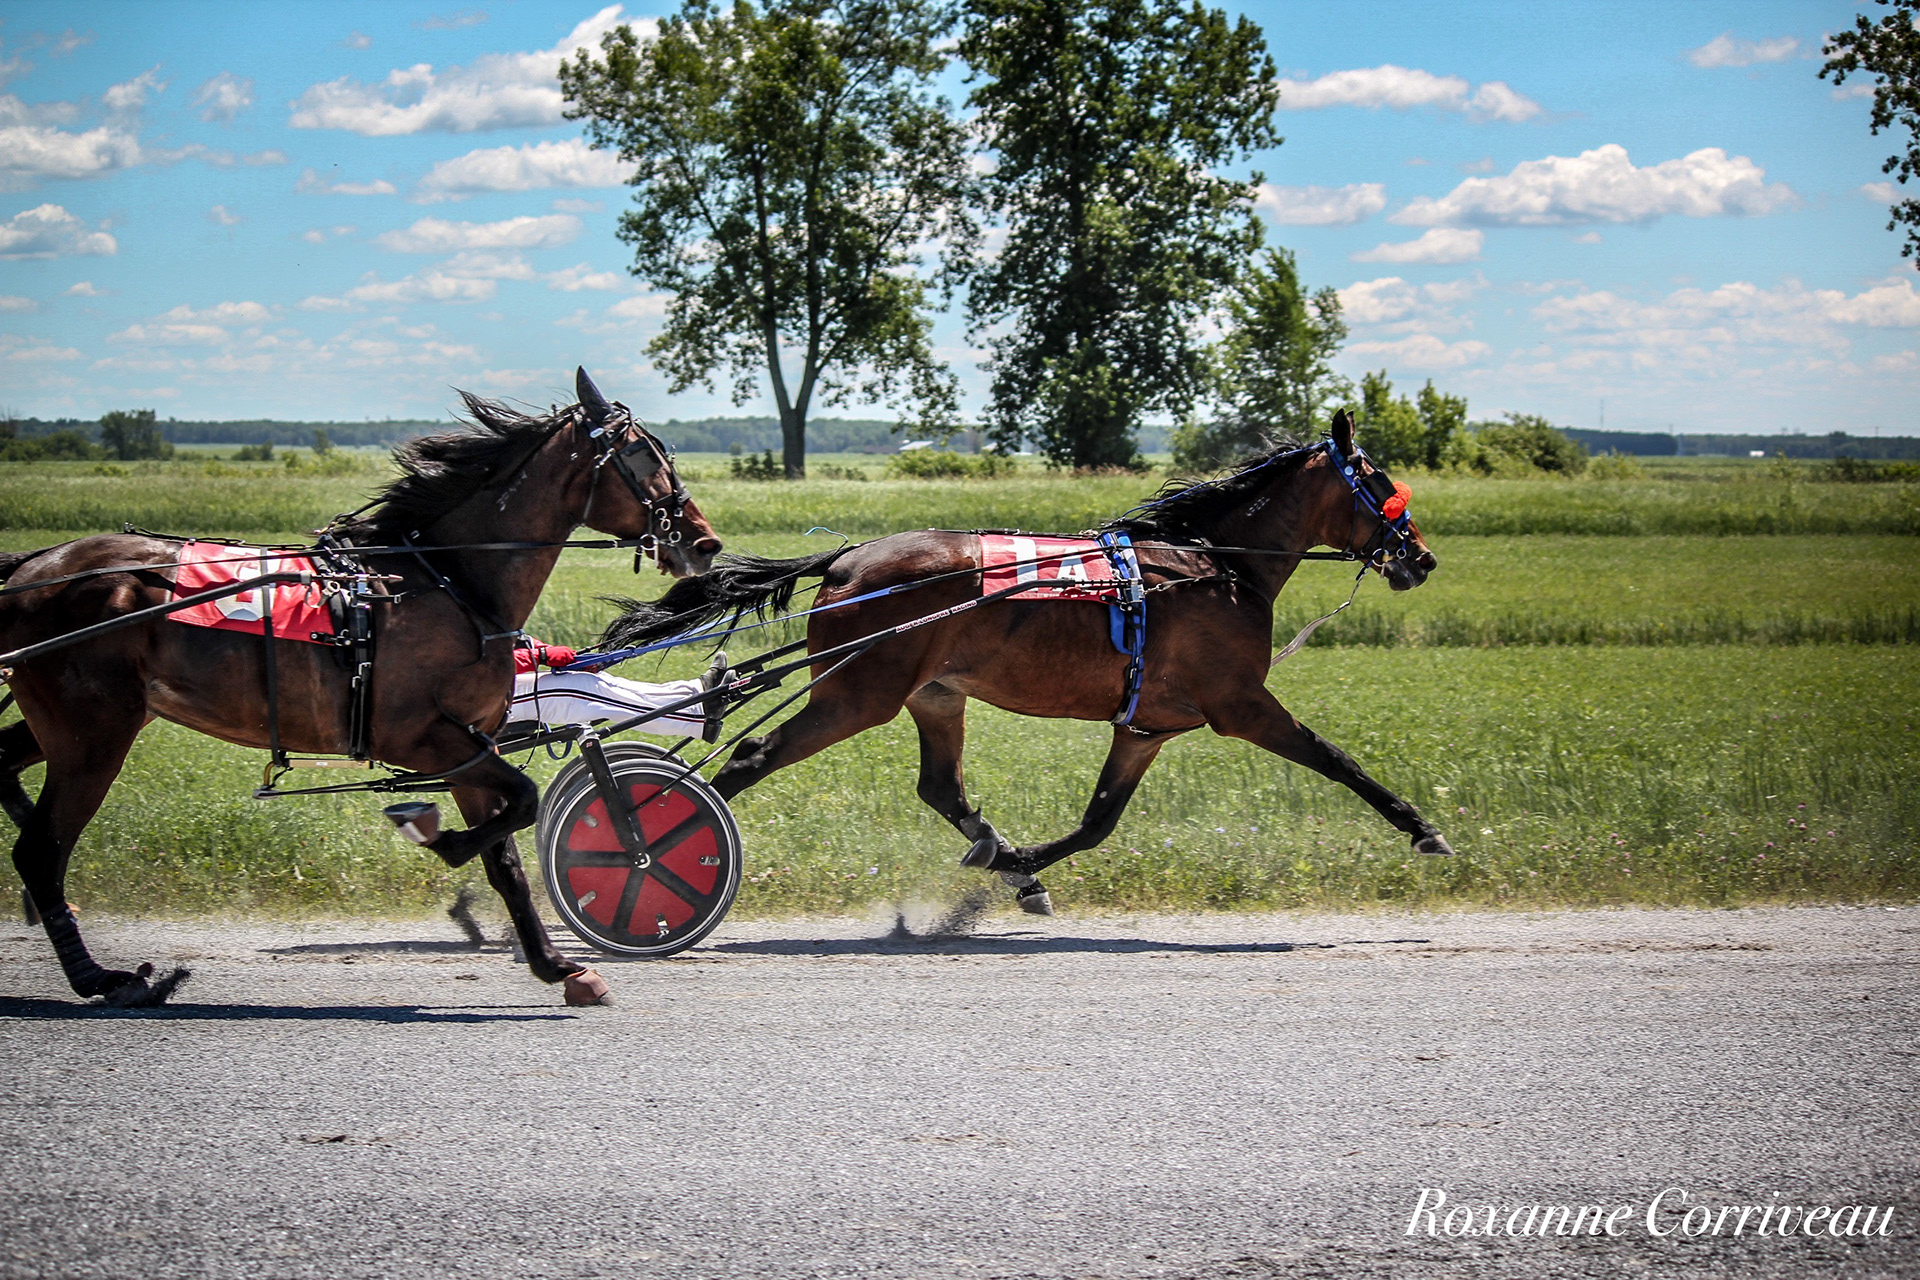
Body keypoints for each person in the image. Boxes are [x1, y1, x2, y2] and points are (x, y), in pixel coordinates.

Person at [507, 636, 730, 743]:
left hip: (493, 688)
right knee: (581, 692)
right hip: (481, 699)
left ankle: (695, 693)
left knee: (597, 682)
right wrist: (539, 656)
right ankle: (697, 720)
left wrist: (544, 650)